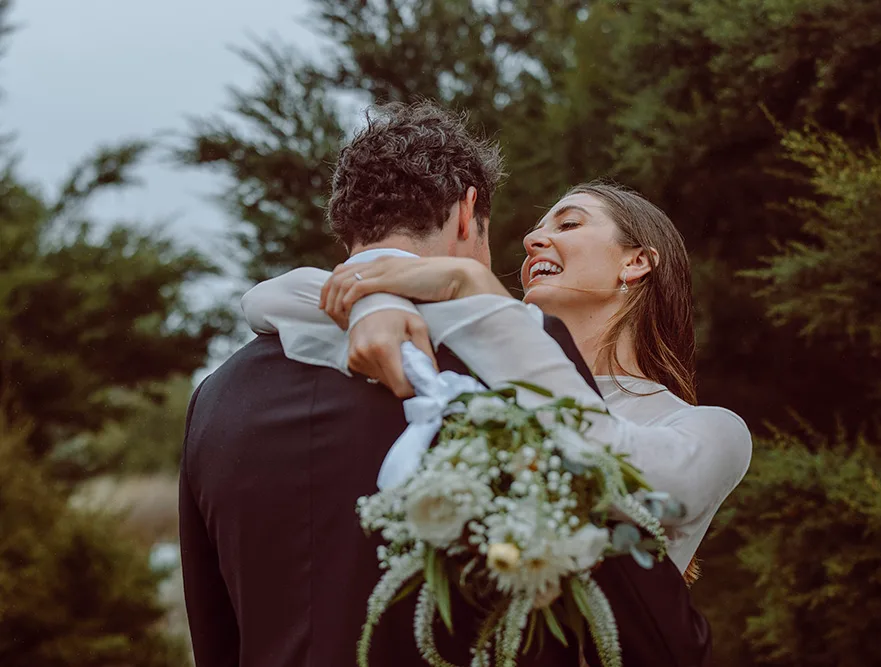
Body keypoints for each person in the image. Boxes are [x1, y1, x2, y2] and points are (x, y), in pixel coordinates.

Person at [181, 102, 713, 667]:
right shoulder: (514, 363)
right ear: (468, 213)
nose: (529, 245)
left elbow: (215, 634)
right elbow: (648, 625)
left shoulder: (216, 397)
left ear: (347, 224)